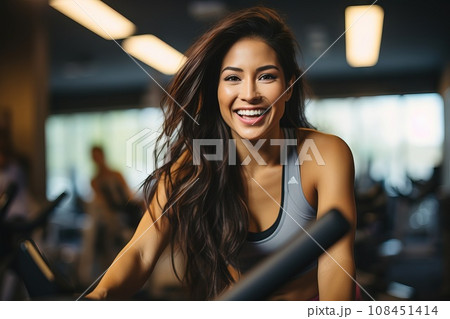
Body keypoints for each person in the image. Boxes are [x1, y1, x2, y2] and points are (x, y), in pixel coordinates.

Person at [86, 6, 356, 301]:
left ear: (289, 87)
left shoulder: (326, 155)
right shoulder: (193, 167)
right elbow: (140, 251)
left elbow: (335, 261)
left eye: (266, 77)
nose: (249, 93)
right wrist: (97, 296)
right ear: (216, 91)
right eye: (232, 78)